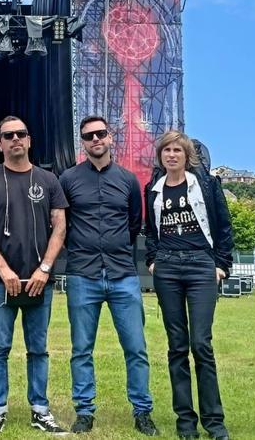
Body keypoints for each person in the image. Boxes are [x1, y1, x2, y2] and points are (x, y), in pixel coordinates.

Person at [0, 116, 69, 435]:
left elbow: (60, 226)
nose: (16, 139)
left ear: (29, 140)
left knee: (38, 348)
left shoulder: (49, 180)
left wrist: (44, 269)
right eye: (8, 135)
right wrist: (2, 268)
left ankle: (40, 410)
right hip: (3, 282)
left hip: (40, 281)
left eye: (21, 134)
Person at [58, 116, 157, 436]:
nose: (95, 140)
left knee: (136, 348)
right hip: (82, 274)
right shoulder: (68, 179)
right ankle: (84, 412)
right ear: (82, 143)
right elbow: (63, 223)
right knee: (81, 349)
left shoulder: (128, 181)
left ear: (110, 137)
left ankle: (142, 411)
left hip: (121, 274)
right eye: (88, 136)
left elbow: (133, 223)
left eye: (101, 134)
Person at [144, 130, 233, 440]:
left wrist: (221, 265)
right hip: (167, 266)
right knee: (177, 346)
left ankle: (214, 422)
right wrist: (153, 260)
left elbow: (223, 226)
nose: (171, 155)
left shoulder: (206, 185)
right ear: (160, 157)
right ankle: (185, 422)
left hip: (200, 264)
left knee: (201, 344)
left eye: (177, 151)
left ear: (187, 156)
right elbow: (149, 231)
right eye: (166, 150)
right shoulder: (153, 190)